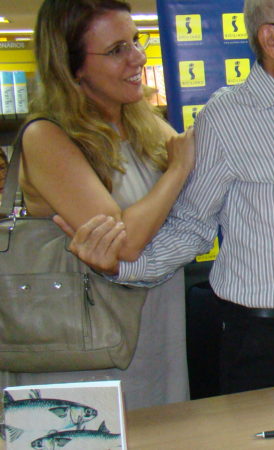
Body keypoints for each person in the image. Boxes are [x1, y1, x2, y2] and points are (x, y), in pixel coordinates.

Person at [63, 0, 274, 395]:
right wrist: (119, 267)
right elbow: (191, 226)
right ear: (272, 39)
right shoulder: (226, 118)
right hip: (270, 342)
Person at [4, 0, 194, 410]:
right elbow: (123, 245)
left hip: (154, 337)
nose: (138, 58)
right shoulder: (48, 137)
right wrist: (178, 171)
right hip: (80, 357)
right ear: (72, 67)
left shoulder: (140, 123)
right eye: (116, 50)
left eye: (136, 41)